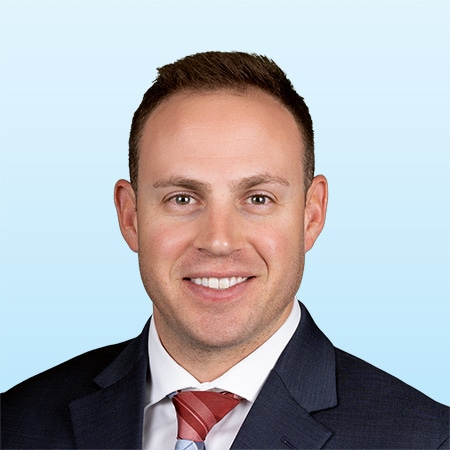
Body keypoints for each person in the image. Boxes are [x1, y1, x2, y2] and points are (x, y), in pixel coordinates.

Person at [1, 51, 448, 450]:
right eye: (182, 198)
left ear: (311, 215)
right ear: (130, 217)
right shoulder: (14, 424)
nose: (218, 241)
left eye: (258, 198)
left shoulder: (427, 440)